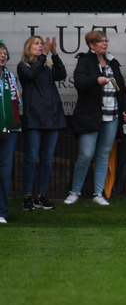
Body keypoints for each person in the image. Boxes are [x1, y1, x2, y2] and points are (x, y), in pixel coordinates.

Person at [64, 31, 126, 206]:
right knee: (86, 154)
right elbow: (79, 83)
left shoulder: (112, 63)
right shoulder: (84, 61)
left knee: (103, 154)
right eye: (100, 41)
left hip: (112, 115)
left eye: (105, 40)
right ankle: (74, 192)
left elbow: (121, 90)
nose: (104, 44)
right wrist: (97, 79)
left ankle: (98, 193)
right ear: (91, 45)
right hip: (89, 116)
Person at [17, 35, 67, 211]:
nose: (40, 46)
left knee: (47, 158)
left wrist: (54, 54)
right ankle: (27, 196)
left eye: (41, 44)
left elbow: (62, 74)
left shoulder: (47, 66)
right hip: (34, 118)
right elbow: (30, 76)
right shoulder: (24, 66)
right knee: (31, 157)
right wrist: (44, 56)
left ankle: (41, 195)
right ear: (28, 48)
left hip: (52, 117)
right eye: (36, 44)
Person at [0, 40, 23, 224]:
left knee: (5, 170)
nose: (3, 55)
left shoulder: (10, 76)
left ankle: (2, 212)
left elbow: (17, 103)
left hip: (10, 128)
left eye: (4, 52)